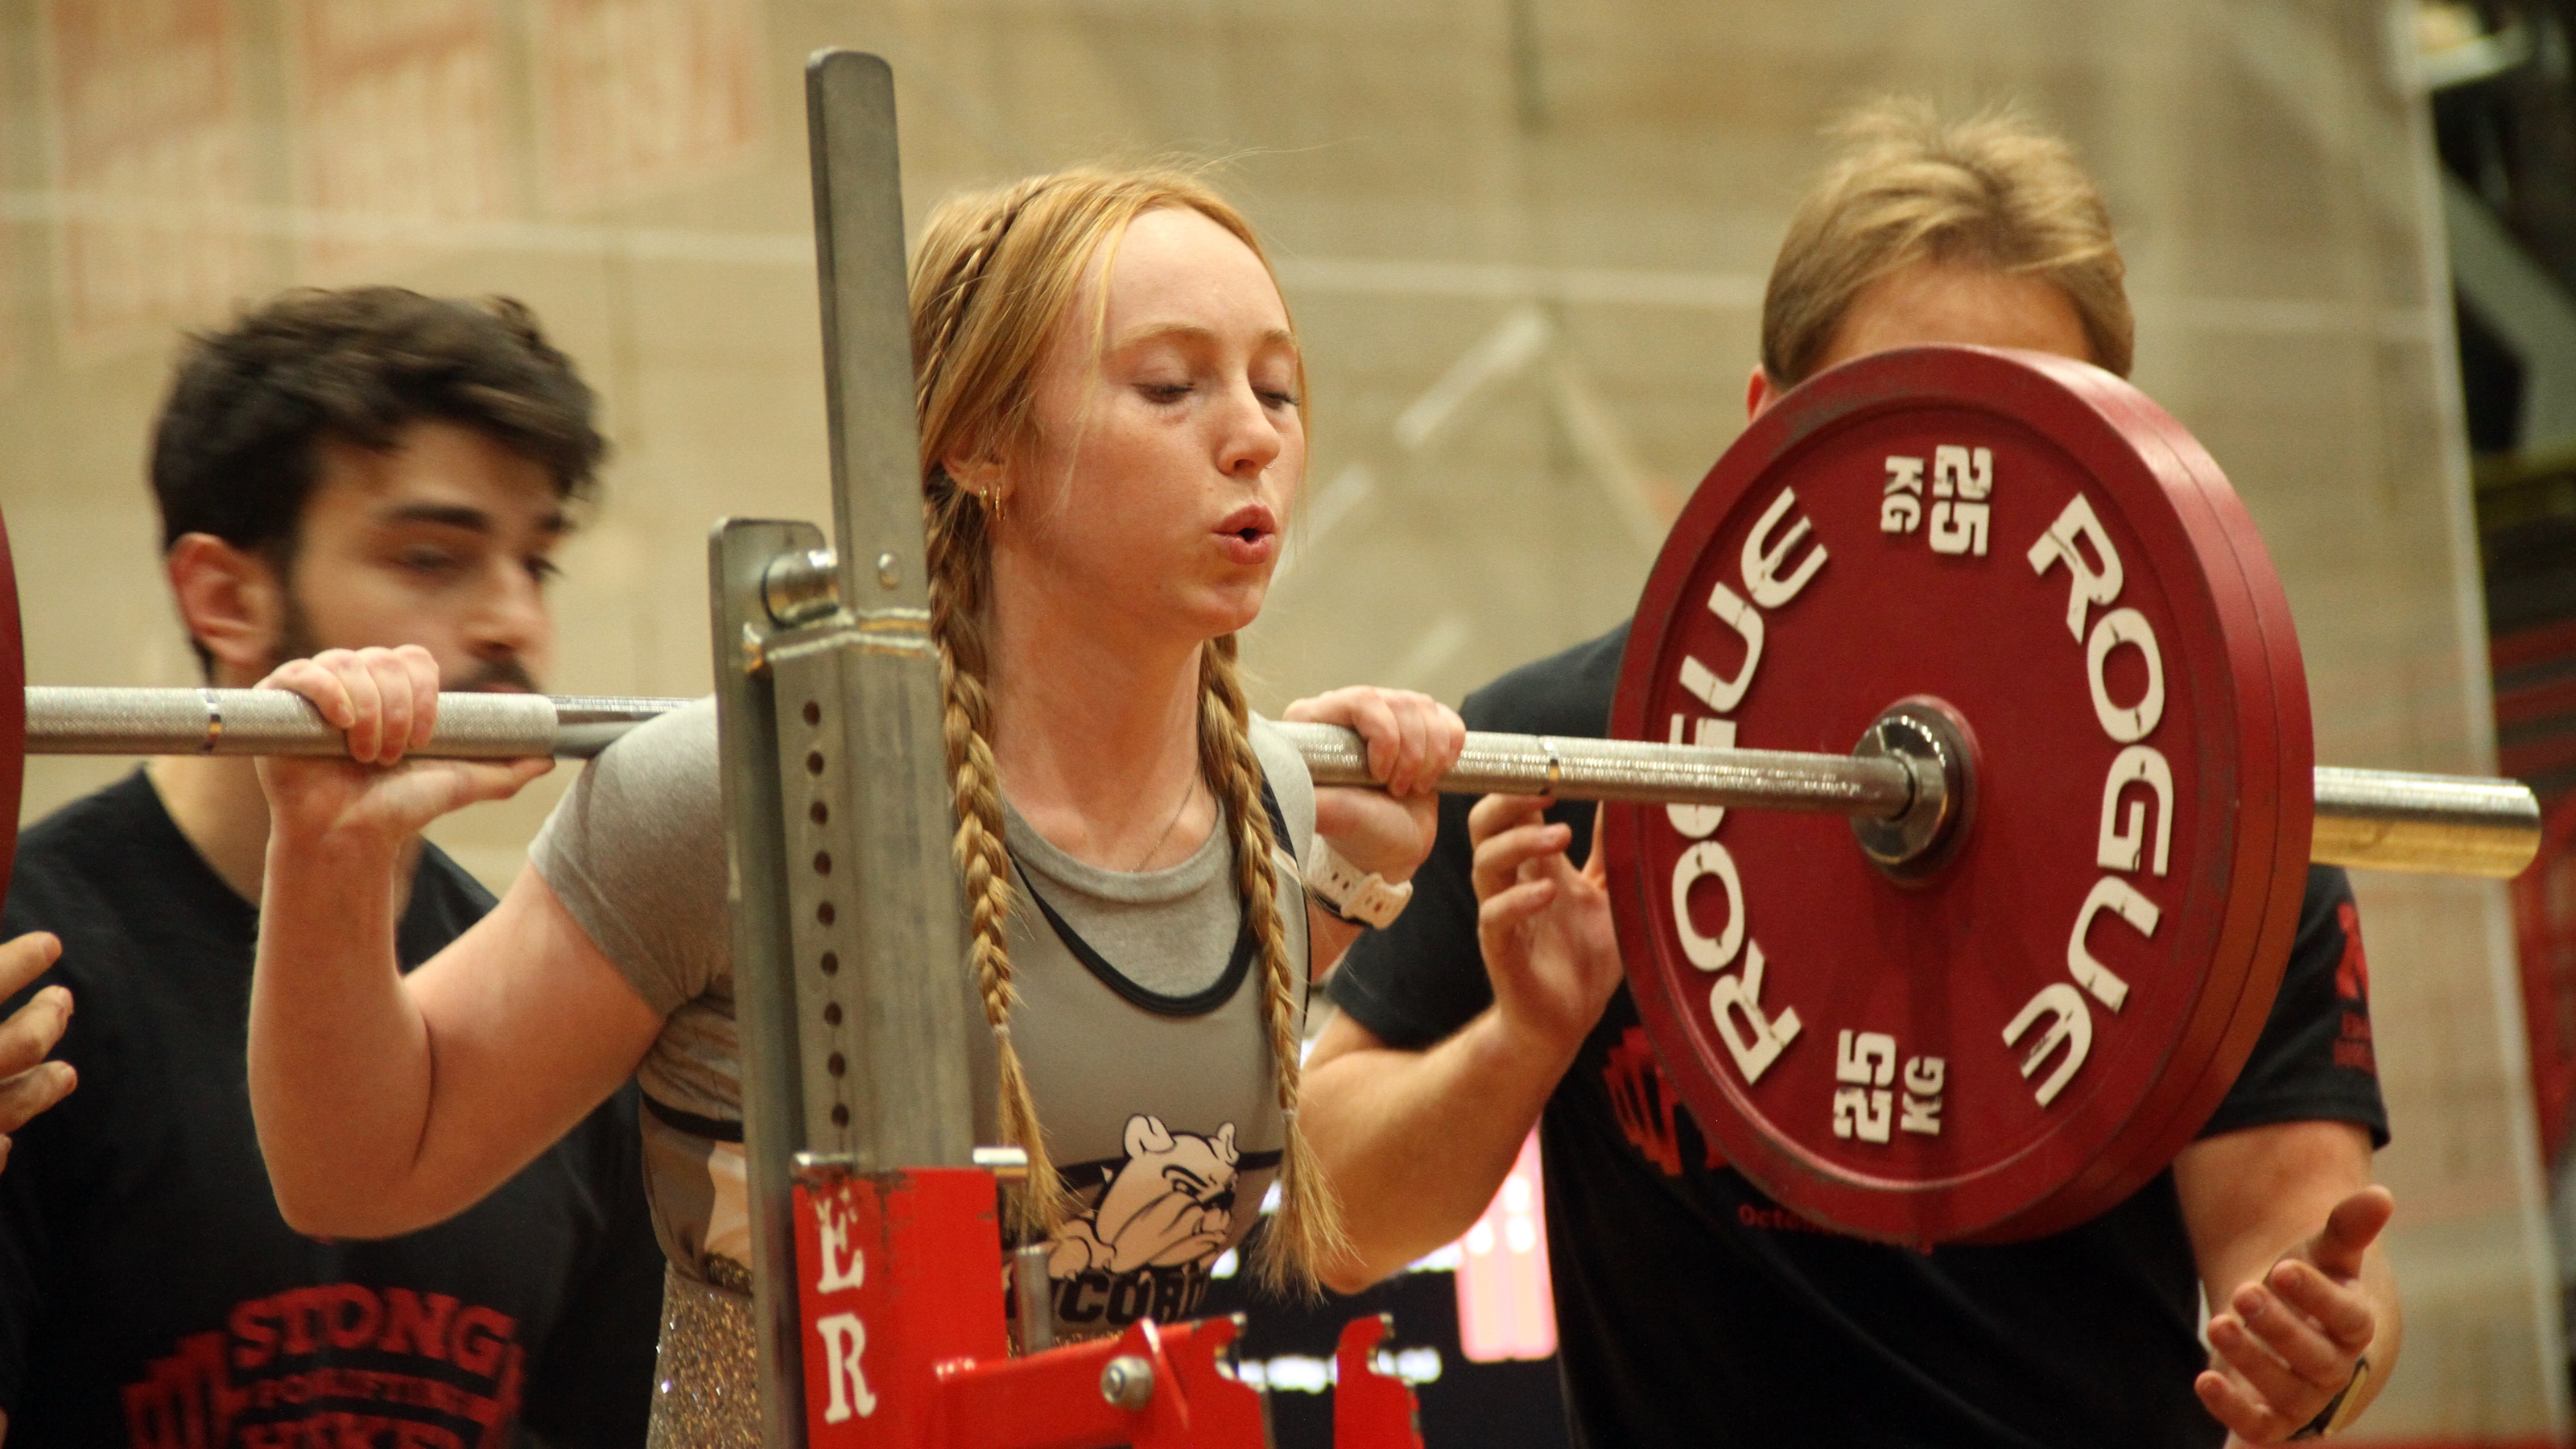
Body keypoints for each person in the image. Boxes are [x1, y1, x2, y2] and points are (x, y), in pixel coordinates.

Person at [236, 171, 1464, 1443]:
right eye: (1170, 385)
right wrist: (325, 855)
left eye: (1277, 388)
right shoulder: (736, 795)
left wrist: (1355, 894)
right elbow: (359, 1167)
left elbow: (1150, 1079)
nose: (1254, 433)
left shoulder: (1277, 799)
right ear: (980, 443)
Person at [1304, 101, 2403, 1449]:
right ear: (1771, 426)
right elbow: (1335, 1219)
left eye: (2020, 425)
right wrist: (1526, 1042)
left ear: (2112, 454)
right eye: (1906, 414)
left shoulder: (2202, 798)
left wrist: (2315, 1358)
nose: (1958, 477)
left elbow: (2300, 1247)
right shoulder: (1580, 752)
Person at [0, 287, 667, 1448]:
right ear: (227, 595)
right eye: (431, 557)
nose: (514, 620)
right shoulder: (28, 968)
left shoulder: (560, 998)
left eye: (537, 563)